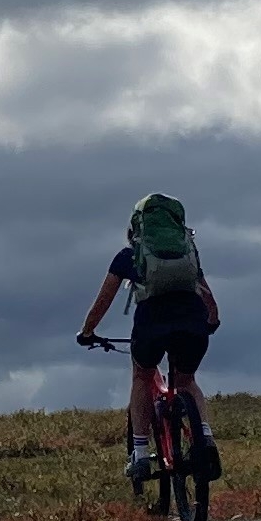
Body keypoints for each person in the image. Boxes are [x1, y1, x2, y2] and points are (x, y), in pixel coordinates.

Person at [74, 192, 220, 483]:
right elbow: (209, 299)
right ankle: (205, 438)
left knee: (142, 376)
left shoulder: (129, 255)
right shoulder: (188, 253)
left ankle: (140, 454)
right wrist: (211, 322)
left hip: (151, 326)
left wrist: (87, 332)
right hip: (192, 323)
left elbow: (103, 301)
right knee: (187, 380)